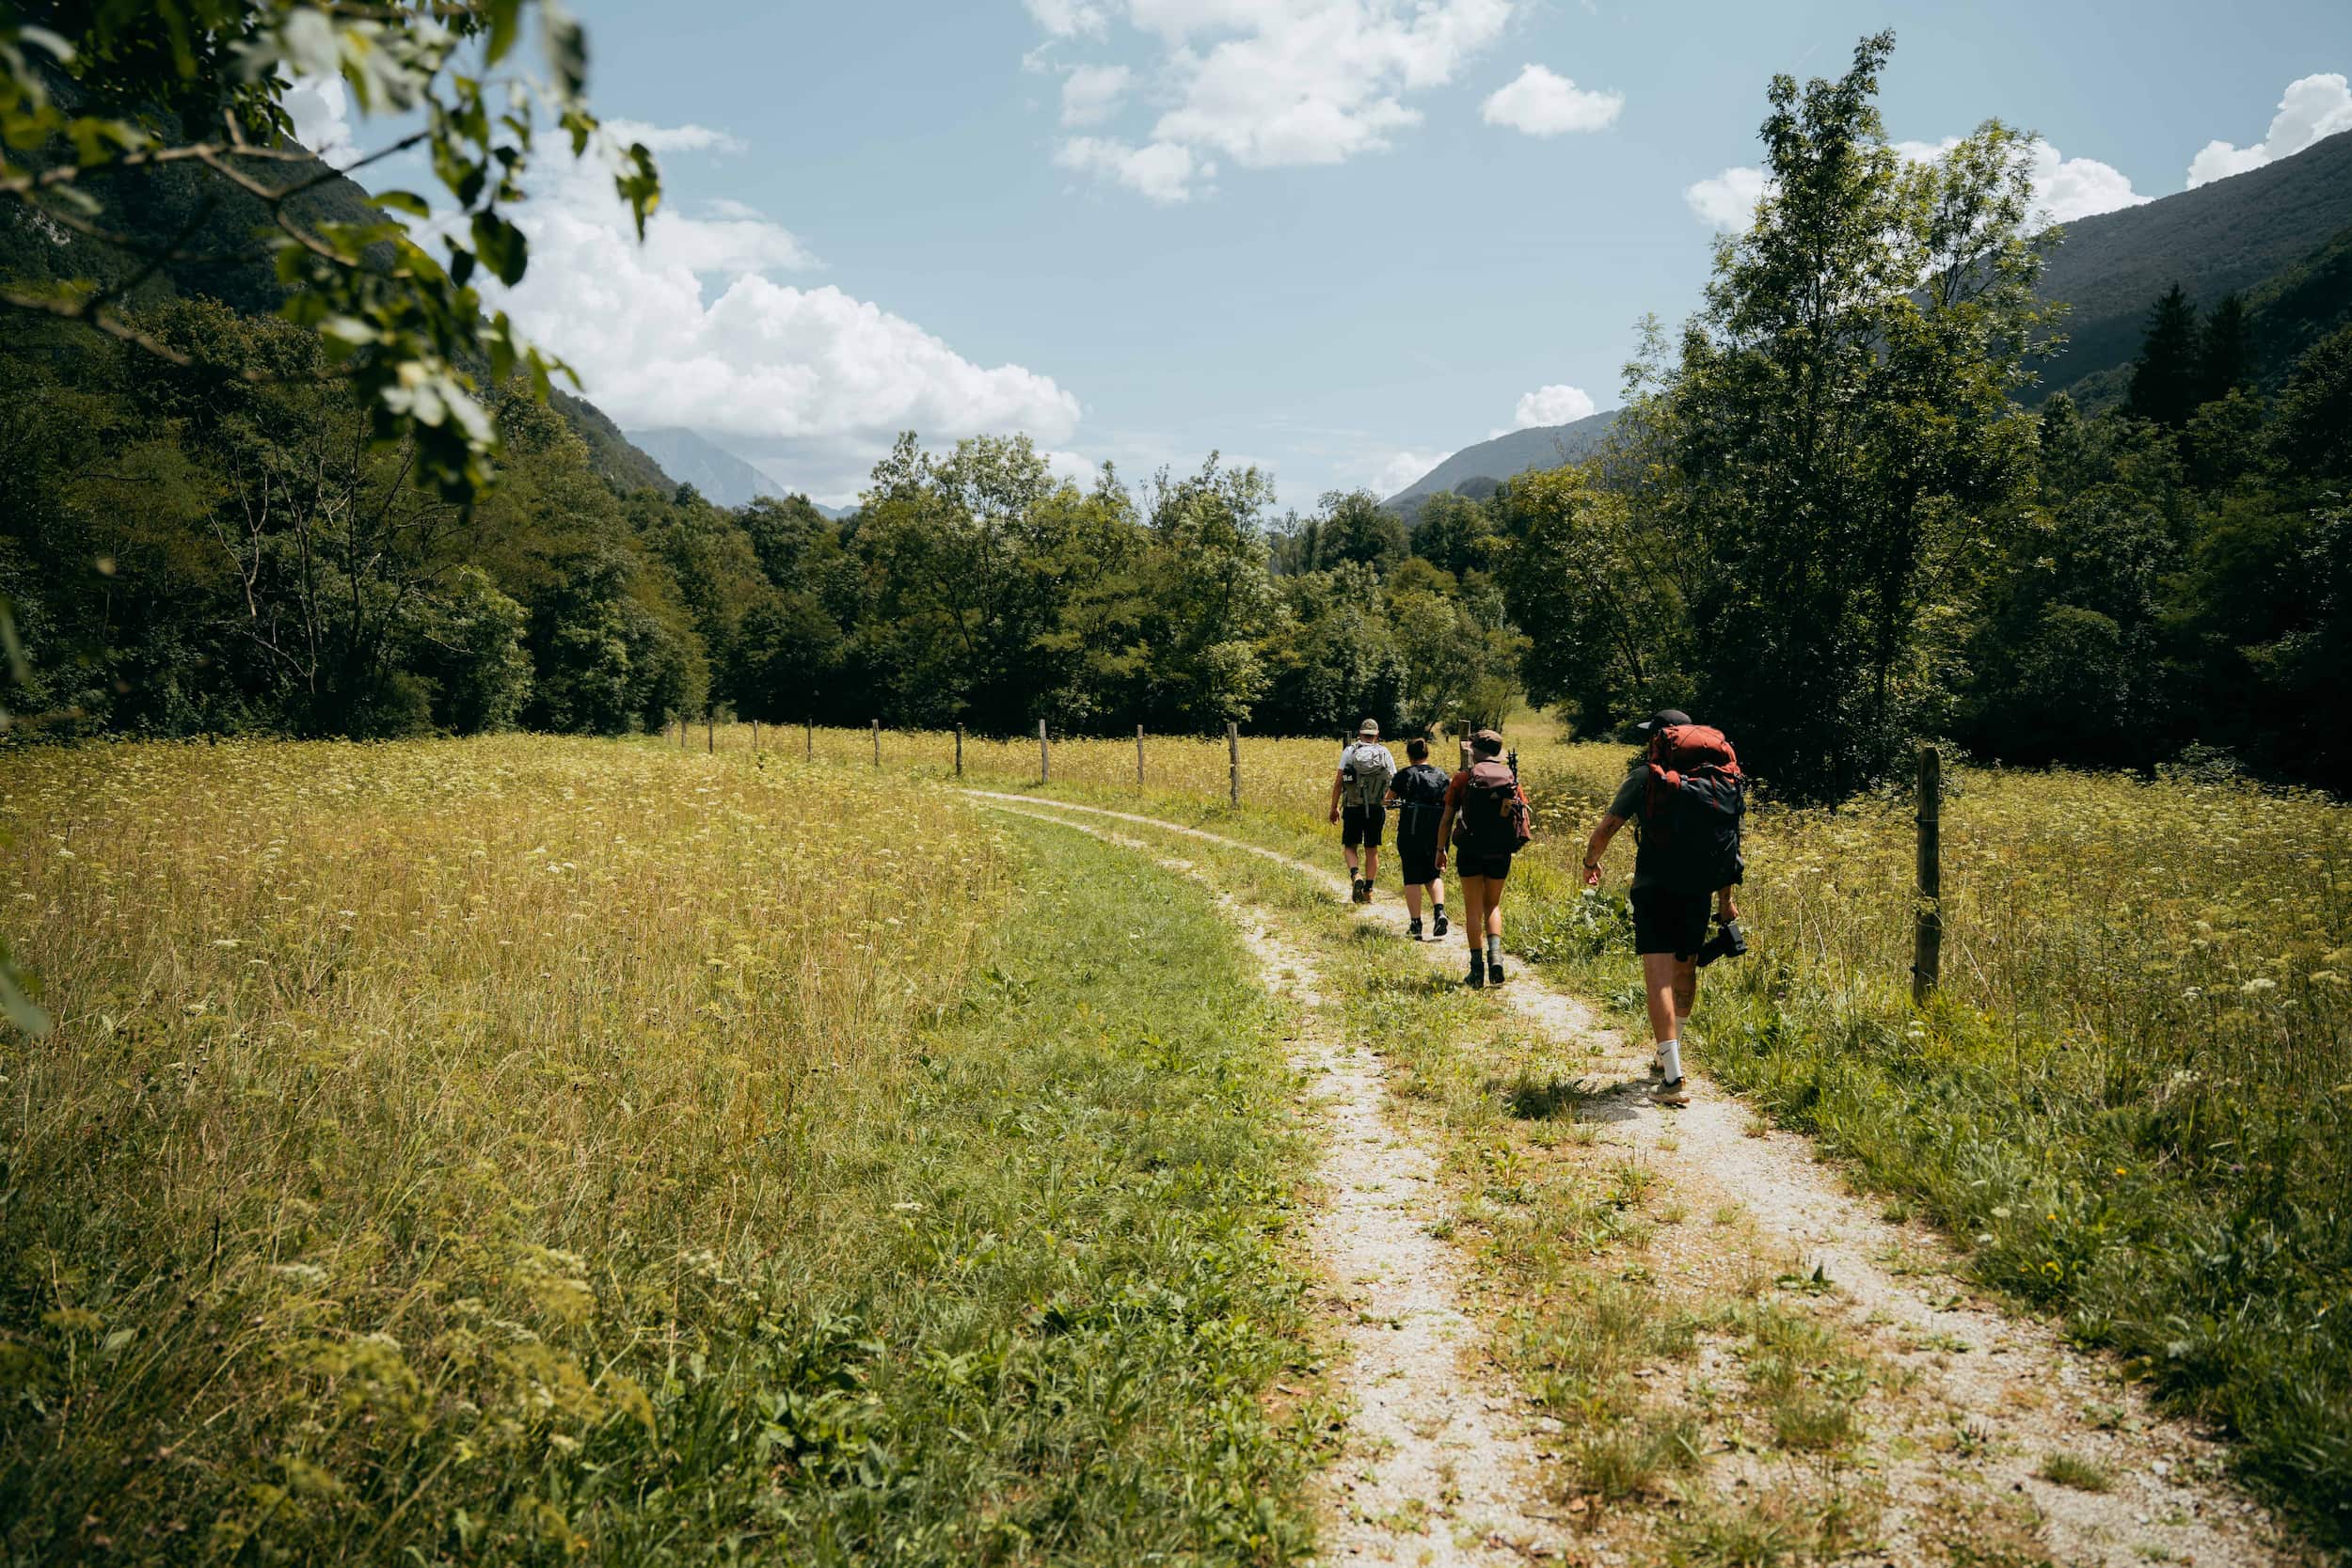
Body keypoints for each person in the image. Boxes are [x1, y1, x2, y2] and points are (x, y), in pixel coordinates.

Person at [1580, 709, 1746, 1107]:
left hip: (1654, 888)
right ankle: (1669, 1056)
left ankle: (1672, 1076)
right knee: (1685, 966)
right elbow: (1728, 844)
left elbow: (1606, 830)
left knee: (1659, 974)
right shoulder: (1718, 781)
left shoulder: (1646, 778)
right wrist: (1726, 900)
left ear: (1659, 739)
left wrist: (1590, 863)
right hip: (1699, 889)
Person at [1435, 728, 1531, 988]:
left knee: (1473, 909)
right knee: (1493, 905)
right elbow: (1523, 816)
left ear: (1473, 751)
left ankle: (1476, 970)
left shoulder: (1463, 779)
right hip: (1500, 851)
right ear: (1498, 752)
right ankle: (1496, 957)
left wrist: (1440, 849)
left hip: (1469, 850)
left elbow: (1446, 819)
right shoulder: (1511, 779)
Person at [1384, 736, 1451, 940]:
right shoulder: (1441, 775)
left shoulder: (1404, 775)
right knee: (1434, 875)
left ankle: (1416, 924)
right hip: (1437, 833)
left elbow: (1388, 802)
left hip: (1411, 832)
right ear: (1427, 753)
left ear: (1409, 755)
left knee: (1412, 877)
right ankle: (1439, 911)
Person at [1328, 719, 1396, 904]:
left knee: (1350, 846)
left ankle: (1355, 874)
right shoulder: (1384, 753)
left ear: (1360, 734)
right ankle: (1369, 890)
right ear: (1377, 735)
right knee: (1372, 850)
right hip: (1376, 808)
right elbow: (1393, 780)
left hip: (1352, 806)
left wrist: (1334, 807)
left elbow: (1339, 782)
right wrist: (1387, 802)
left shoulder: (1350, 751)